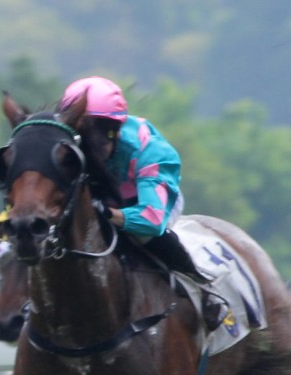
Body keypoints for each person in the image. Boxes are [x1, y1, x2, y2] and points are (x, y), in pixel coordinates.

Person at [61, 76, 224, 328]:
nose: (95, 144)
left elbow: (151, 220)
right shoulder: (66, 150)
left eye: (104, 133)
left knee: (144, 237)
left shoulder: (151, 152)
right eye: (85, 134)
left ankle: (203, 290)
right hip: (100, 200)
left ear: (117, 130)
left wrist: (107, 214)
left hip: (146, 204)